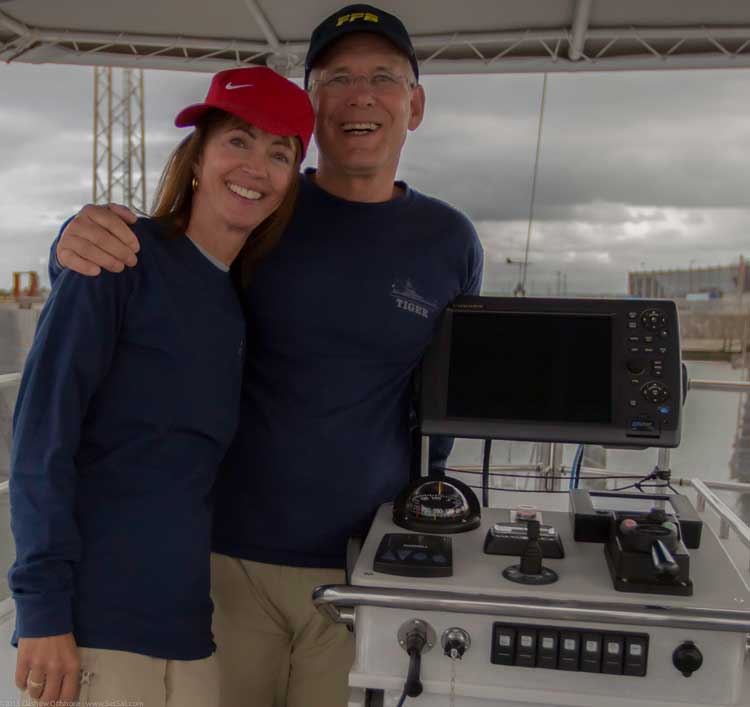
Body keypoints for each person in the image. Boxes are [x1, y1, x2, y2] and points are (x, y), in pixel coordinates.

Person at [49, 4, 484, 706]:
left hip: (360, 567)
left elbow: (440, 405)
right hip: (226, 562)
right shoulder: (266, 207)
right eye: (338, 77)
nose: (361, 95)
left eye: (383, 76)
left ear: (416, 104)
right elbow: (164, 257)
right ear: (312, 104)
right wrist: (68, 245)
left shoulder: (450, 241)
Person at [10, 66, 314, 707]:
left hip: (188, 630)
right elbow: (42, 437)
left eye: (280, 152)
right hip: (96, 627)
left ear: (289, 183)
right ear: (197, 157)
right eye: (238, 139)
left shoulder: (234, 304)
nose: (256, 166)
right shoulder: (117, 258)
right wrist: (42, 611)